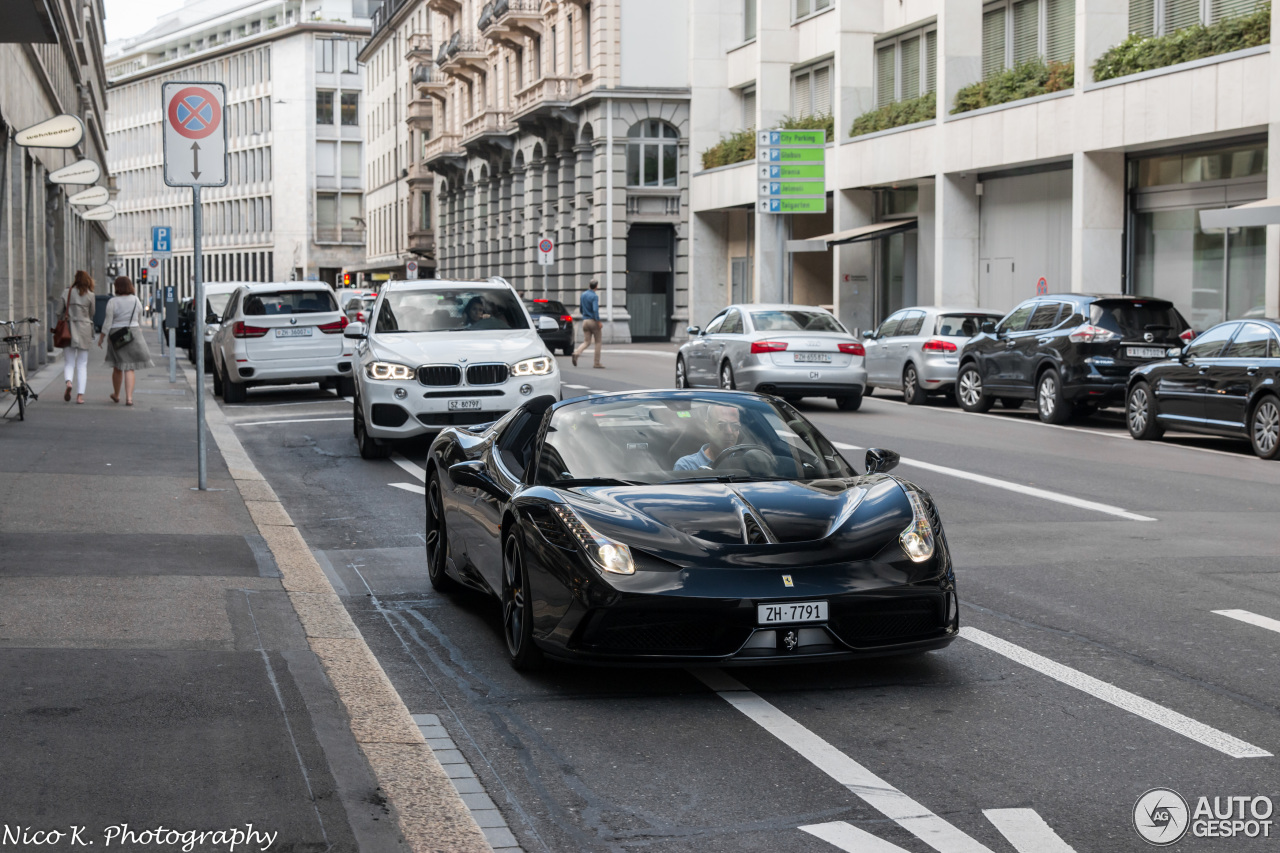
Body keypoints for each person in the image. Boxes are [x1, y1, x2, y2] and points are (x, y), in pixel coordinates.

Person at [98, 276, 154, 406]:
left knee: (118, 367)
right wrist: (138, 328)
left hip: (116, 335)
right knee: (130, 368)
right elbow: (139, 316)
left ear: (116, 287)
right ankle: (129, 398)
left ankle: (116, 395)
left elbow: (107, 322)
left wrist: (102, 337)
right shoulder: (135, 300)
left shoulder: (112, 301)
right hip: (132, 333)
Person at [59, 270, 97, 404]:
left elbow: (59, 312)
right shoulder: (91, 295)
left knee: (69, 362)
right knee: (82, 364)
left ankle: (69, 382)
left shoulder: (67, 292)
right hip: (84, 330)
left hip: (68, 329)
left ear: (75, 279)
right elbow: (92, 313)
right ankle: (80, 396)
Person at [674, 404, 743, 470]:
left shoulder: (746, 462)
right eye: (721, 425)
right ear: (708, 426)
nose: (729, 432)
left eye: (735, 426)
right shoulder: (687, 466)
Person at [572, 279, 603, 368]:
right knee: (598, 342)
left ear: (589, 285)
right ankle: (596, 363)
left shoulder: (583, 295)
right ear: (596, 286)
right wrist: (598, 321)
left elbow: (581, 309)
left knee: (586, 341)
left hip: (585, 321)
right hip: (593, 321)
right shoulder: (594, 296)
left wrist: (585, 315)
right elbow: (595, 310)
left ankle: (576, 353)